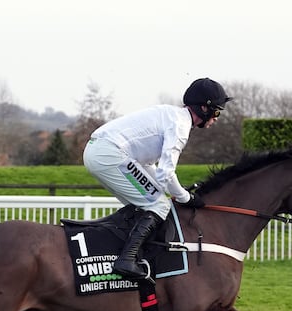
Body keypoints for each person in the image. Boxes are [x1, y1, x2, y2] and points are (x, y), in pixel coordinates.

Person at [82, 77, 232, 281]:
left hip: (101, 151)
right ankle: (126, 260)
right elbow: (165, 173)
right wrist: (185, 197)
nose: (216, 119)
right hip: (109, 153)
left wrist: (174, 192)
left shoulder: (172, 115)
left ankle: (130, 254)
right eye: (216, 112)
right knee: (159, 204)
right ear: (204, 109)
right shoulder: (179, 127)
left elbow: (148, 166)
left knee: (148, 203)